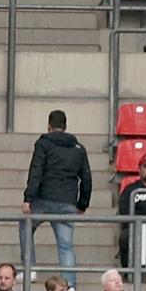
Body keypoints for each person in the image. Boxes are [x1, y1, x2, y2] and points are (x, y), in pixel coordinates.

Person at [24, 112, 92, 280]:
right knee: (66, 245)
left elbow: (36, 171)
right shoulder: (79, 148)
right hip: (67, 202)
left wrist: (28, 198)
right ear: (65, 126)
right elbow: (86, 178)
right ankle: (69, 286)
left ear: (49, 125)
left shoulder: (43, 144)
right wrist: (82, 204)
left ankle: (30, 269)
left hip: (43, 199)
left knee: (26, 227)